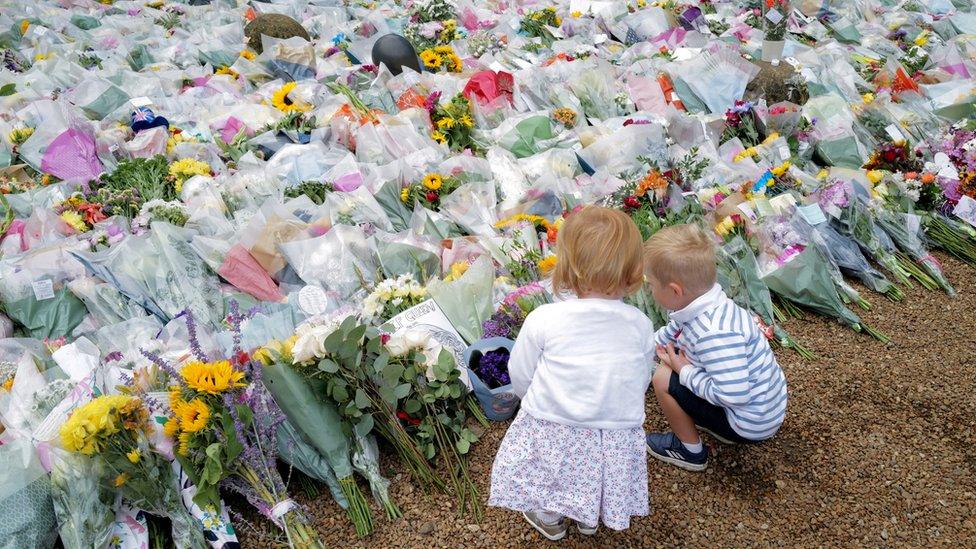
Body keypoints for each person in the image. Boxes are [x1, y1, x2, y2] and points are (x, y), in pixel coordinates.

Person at [489, 206, 654, 540]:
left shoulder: (546, 318)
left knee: (549, 473)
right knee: (595, 468)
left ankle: (550, 517)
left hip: (555, 421)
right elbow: (642, 374)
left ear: (566, 265)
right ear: (633, 271)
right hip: (614, 426)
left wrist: (530, 402)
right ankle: (589, 515)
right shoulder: (640, 323)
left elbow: (520, 372)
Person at [642, 224, 787, 471]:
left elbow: (733, 395)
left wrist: (684, 370)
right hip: (760, 408)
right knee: (673, 366)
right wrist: (638, 347)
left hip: (749, 421)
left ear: (675, 290)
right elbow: (671, 334)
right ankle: (708, 421)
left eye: (651, 284)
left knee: (663, 377)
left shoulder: (712, 333)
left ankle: (689, 450)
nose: (649, 289)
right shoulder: (703, 304)